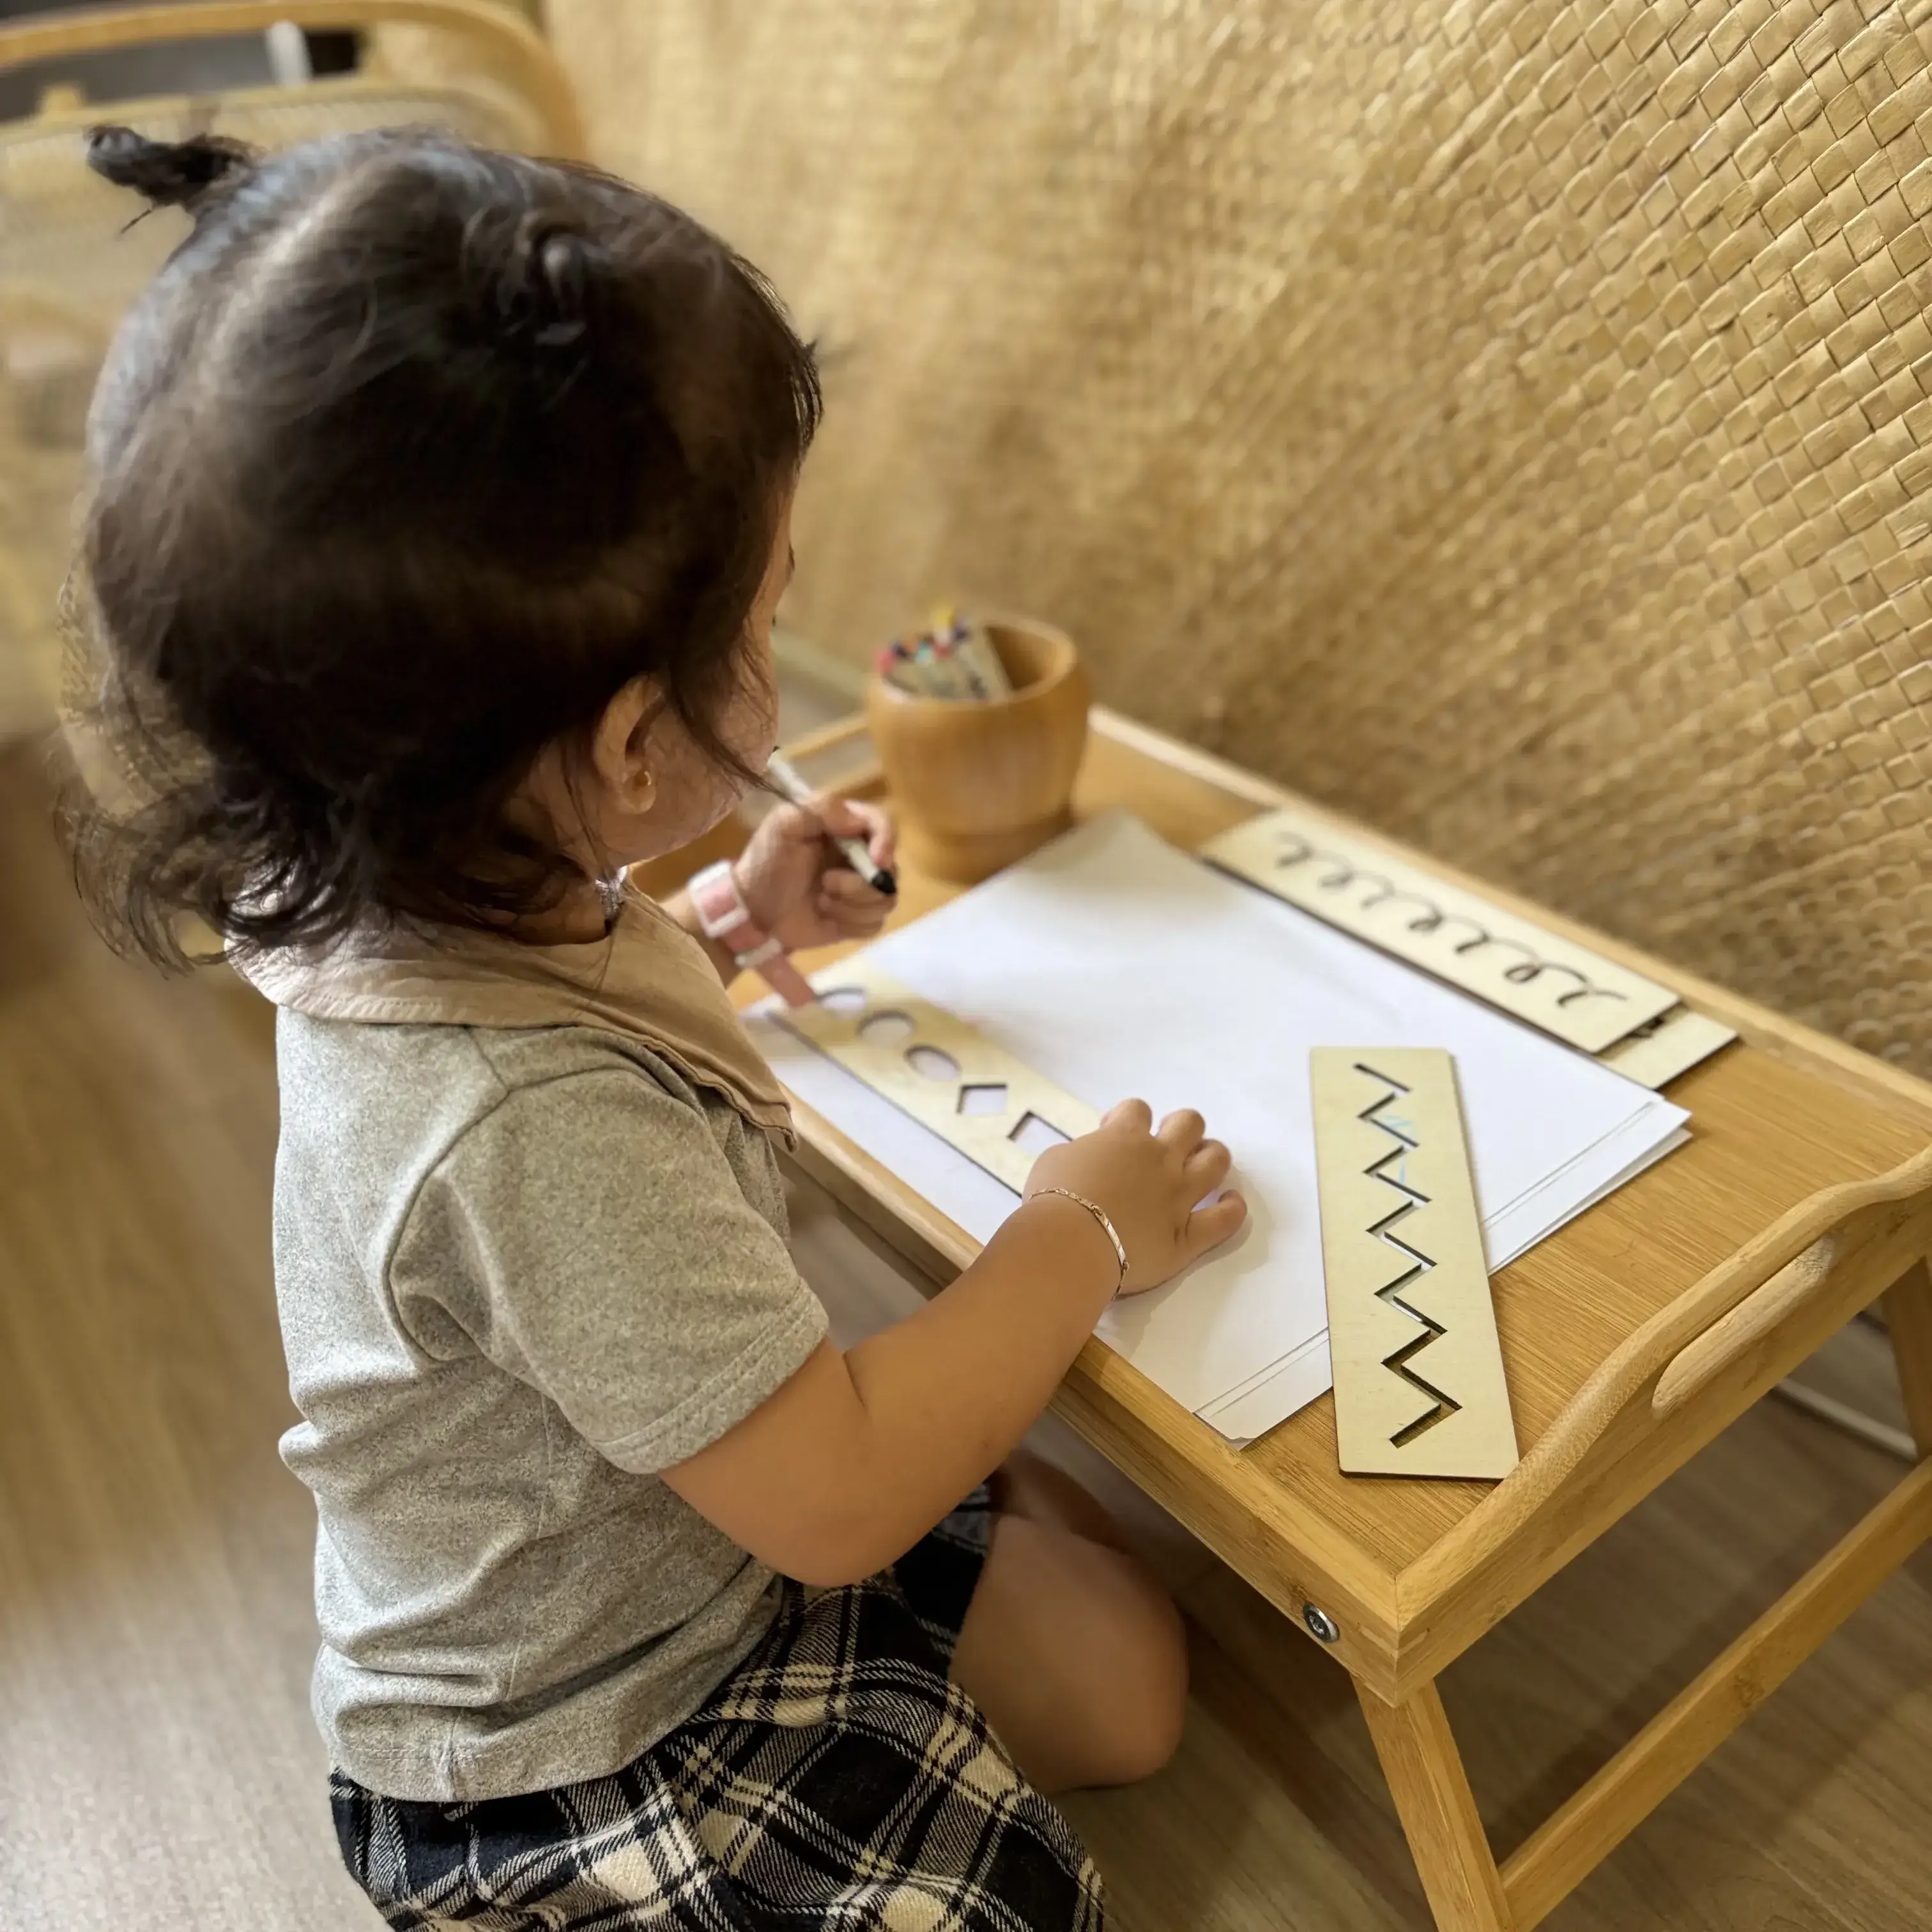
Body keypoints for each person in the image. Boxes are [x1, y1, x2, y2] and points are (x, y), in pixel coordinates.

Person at [68, 123, 1248, 1930]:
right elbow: (839, 1499)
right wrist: (1073, 1235)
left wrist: (734, 913)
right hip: (575, 1729)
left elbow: (574, 1014)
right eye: (770, 621)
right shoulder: (516, 1121)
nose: (785, 668)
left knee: (1134, 1677)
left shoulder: (416, 877)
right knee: (1005, 1891)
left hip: (686, 1528)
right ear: (629, 751)